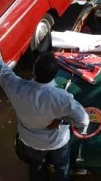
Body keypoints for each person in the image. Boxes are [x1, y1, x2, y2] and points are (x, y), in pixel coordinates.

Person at [0, 51, 89, 181]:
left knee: (36, 166)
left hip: (30, 141)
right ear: (55, 74)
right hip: (57, 143)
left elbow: (2, 71)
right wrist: (61, 120)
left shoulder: (16, 87)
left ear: (34, 70)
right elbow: (83, 121)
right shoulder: (62, 98)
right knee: (61, 167)